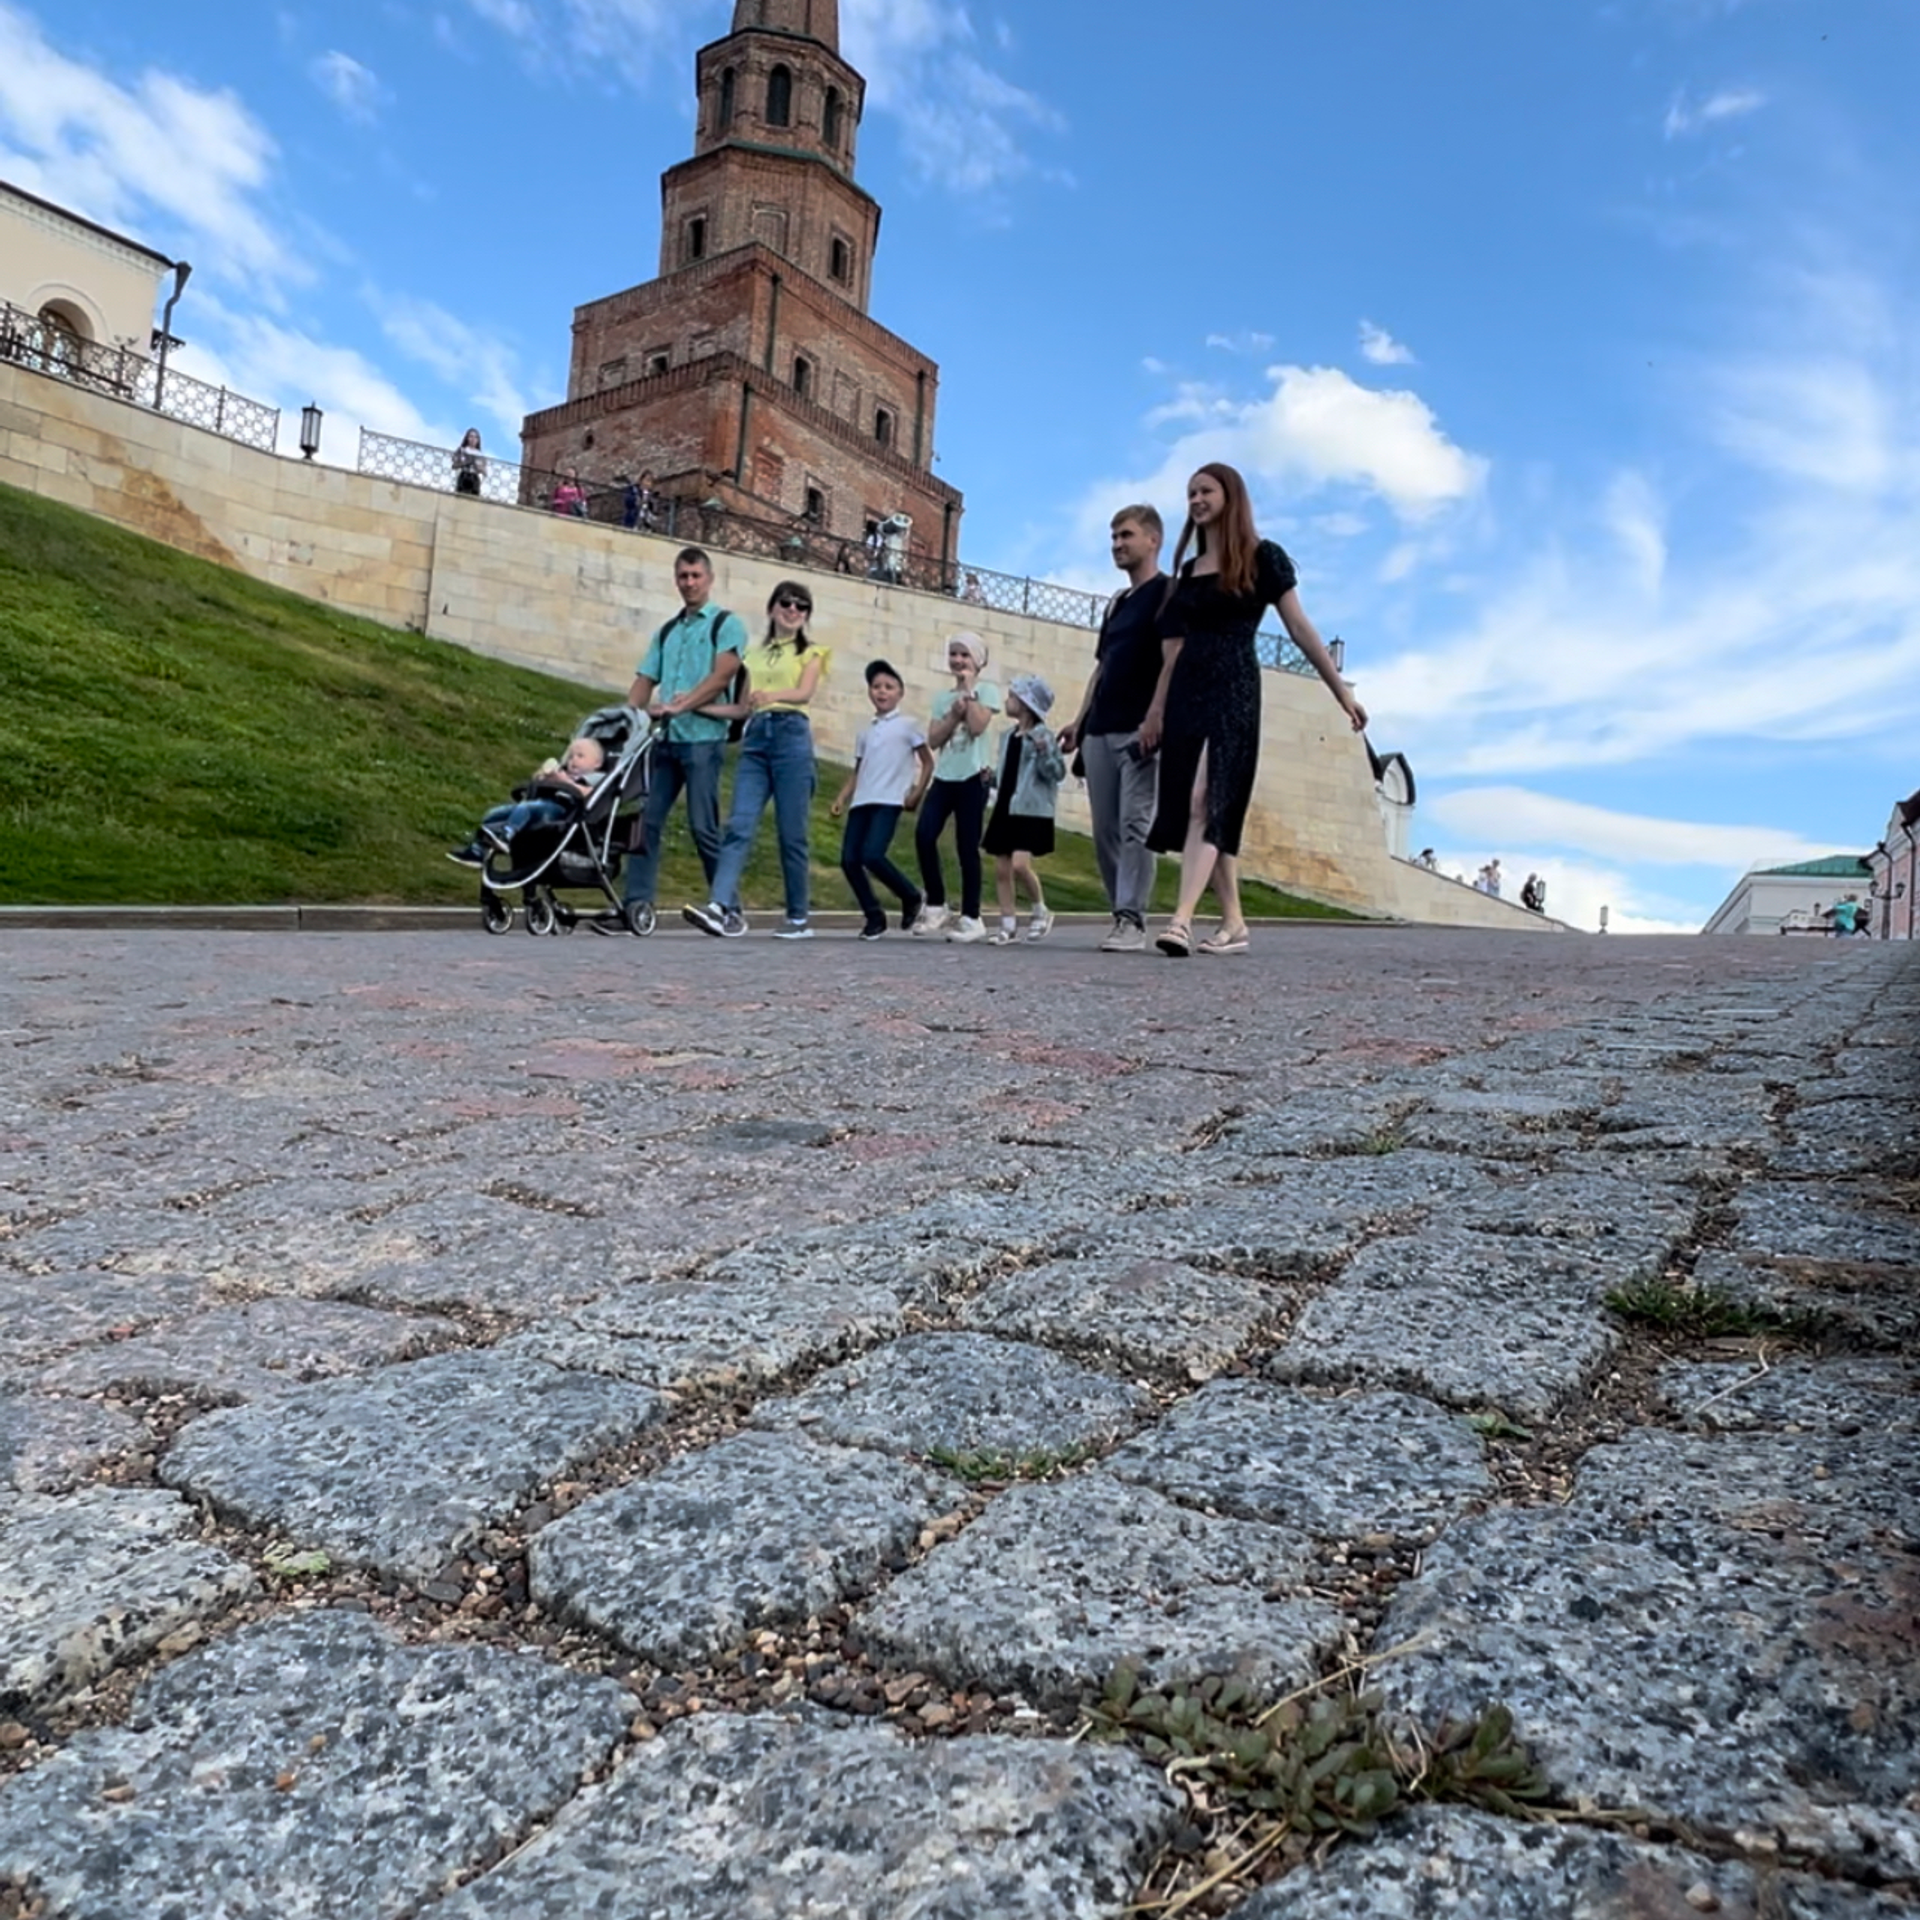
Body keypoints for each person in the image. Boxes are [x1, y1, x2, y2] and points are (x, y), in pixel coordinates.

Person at [1147, 463, 1365, 957]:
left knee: (1207, 797)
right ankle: (1235, 924)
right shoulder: (1188, 571)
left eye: (1205, 491)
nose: (1196, 500)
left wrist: (1341, 692)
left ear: (1230, 496)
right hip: (1187, 689)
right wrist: (1157, 709)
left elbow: (1301, 628)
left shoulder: (1263, 557)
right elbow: (1174, 651)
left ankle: (1180, 920)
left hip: (1234, 688)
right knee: (1204, 807)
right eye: (1190, 494)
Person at [602, 547, 747, 933]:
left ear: (709, 578)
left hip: (704, 739)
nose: (689, 583)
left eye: (696, 575)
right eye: (683, 576)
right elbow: (645, 680)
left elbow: (722, 676)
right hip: (665, 740)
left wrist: (683, 706)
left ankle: (728, 907)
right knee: (645, 822)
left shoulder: (725, 624)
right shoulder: (667, 631)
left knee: (703, 826)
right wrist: (627, 717)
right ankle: (636, 906)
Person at [684, 581, 830, 941]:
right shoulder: (754, 655)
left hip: (792, 736)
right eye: (786, 603)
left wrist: (772, 695)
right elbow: (742, 706)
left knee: (791, 834)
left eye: (802, 606)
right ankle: (720, 907)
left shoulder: (812, 652)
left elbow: (804, 693)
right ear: (771, 608)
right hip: (757, 739)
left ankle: (798, 917)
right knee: (738, 825)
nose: (793, 610)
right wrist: (695, 706)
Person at [1058, 505, 1171, 952]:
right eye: (1113, 538)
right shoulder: (1117, 603)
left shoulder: (1168, 594)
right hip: (1100, 730)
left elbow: (1173, 661)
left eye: (1126, 536)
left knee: (1135, 824)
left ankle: (1132, 919)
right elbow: (1101, 669)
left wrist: (1157, 716)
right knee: (1105, 829)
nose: (1118, 545)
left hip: (1140, 730)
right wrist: (1079, 721)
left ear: (1152, 540)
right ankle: (1118, 913)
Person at [831, 660, 932, 939]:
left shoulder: (908, 725)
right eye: (876, 687)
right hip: (862, 801)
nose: (882, 692)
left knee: (872, 855)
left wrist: (917, 791)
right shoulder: (865, 731)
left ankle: (910, 895)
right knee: (849, 860)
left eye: (889, 687)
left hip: (889, 800)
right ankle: (874, 916)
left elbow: (927, 761)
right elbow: (858, 769)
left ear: (900, 692)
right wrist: (842, 797)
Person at [913, 632, 1000, 944]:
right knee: (924, 834)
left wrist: (968, 693)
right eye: (953, 654)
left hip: (973, 777)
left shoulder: (987, 690)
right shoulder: (942, 699)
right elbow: (934, 739)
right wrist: (953, 712)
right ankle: (936, 903)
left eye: (964, 655)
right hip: (945, 776)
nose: (958, 660)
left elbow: (977, 727)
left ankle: (972, 917)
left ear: (977, 660)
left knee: (967, 846)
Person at [980, 673, 1065, 945]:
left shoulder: (1043, 737)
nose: (1008, 701)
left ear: (1027, 704)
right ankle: (1007, 924)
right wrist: (991, 777)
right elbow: (1008, 772)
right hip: (1006, 806)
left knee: (1019, 864)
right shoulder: (1008, 737)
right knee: (1002, 869)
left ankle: (1040, 909)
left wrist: (1044, 753)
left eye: (1012, 697)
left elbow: (1056, 773)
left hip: (1031, 810)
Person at [449, 737, 605, 866]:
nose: (573, 760)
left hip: (561, 812)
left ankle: (506, 837)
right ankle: (478, 850)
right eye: (570, 756)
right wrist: (543, 778)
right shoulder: (563, 773)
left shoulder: (596, 778)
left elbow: (591, 795)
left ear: (597, 763)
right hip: (540, 805)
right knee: (494, 814)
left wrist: (566, 783)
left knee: (525, 809)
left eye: (580, 756)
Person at [452, 428, 485, 498]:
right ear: (467, 438)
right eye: (471, 436)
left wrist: (478, 467)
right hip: (464, 475)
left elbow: (484, 470)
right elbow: (454, 463)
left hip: (474, 477)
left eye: (476, 437)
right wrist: (466, 461)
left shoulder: (480, 454)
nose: (473, 439)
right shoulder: (462, 450)